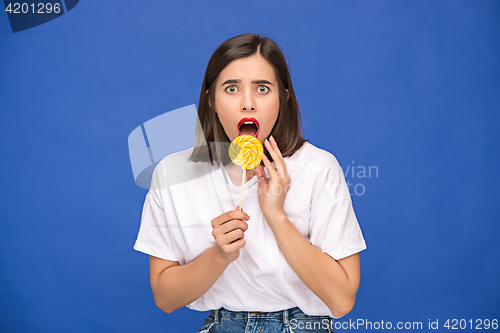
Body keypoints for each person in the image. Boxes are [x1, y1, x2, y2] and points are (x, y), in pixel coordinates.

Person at [133, 33, 367, 333]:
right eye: (231, 89)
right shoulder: (172, 174)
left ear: (284, 98)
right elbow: (165, 298)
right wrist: (219, 255)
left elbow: (341, 300)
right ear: (211, 100)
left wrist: (276, 217)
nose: (248, 104)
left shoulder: (318, 168)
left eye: (262, 89)